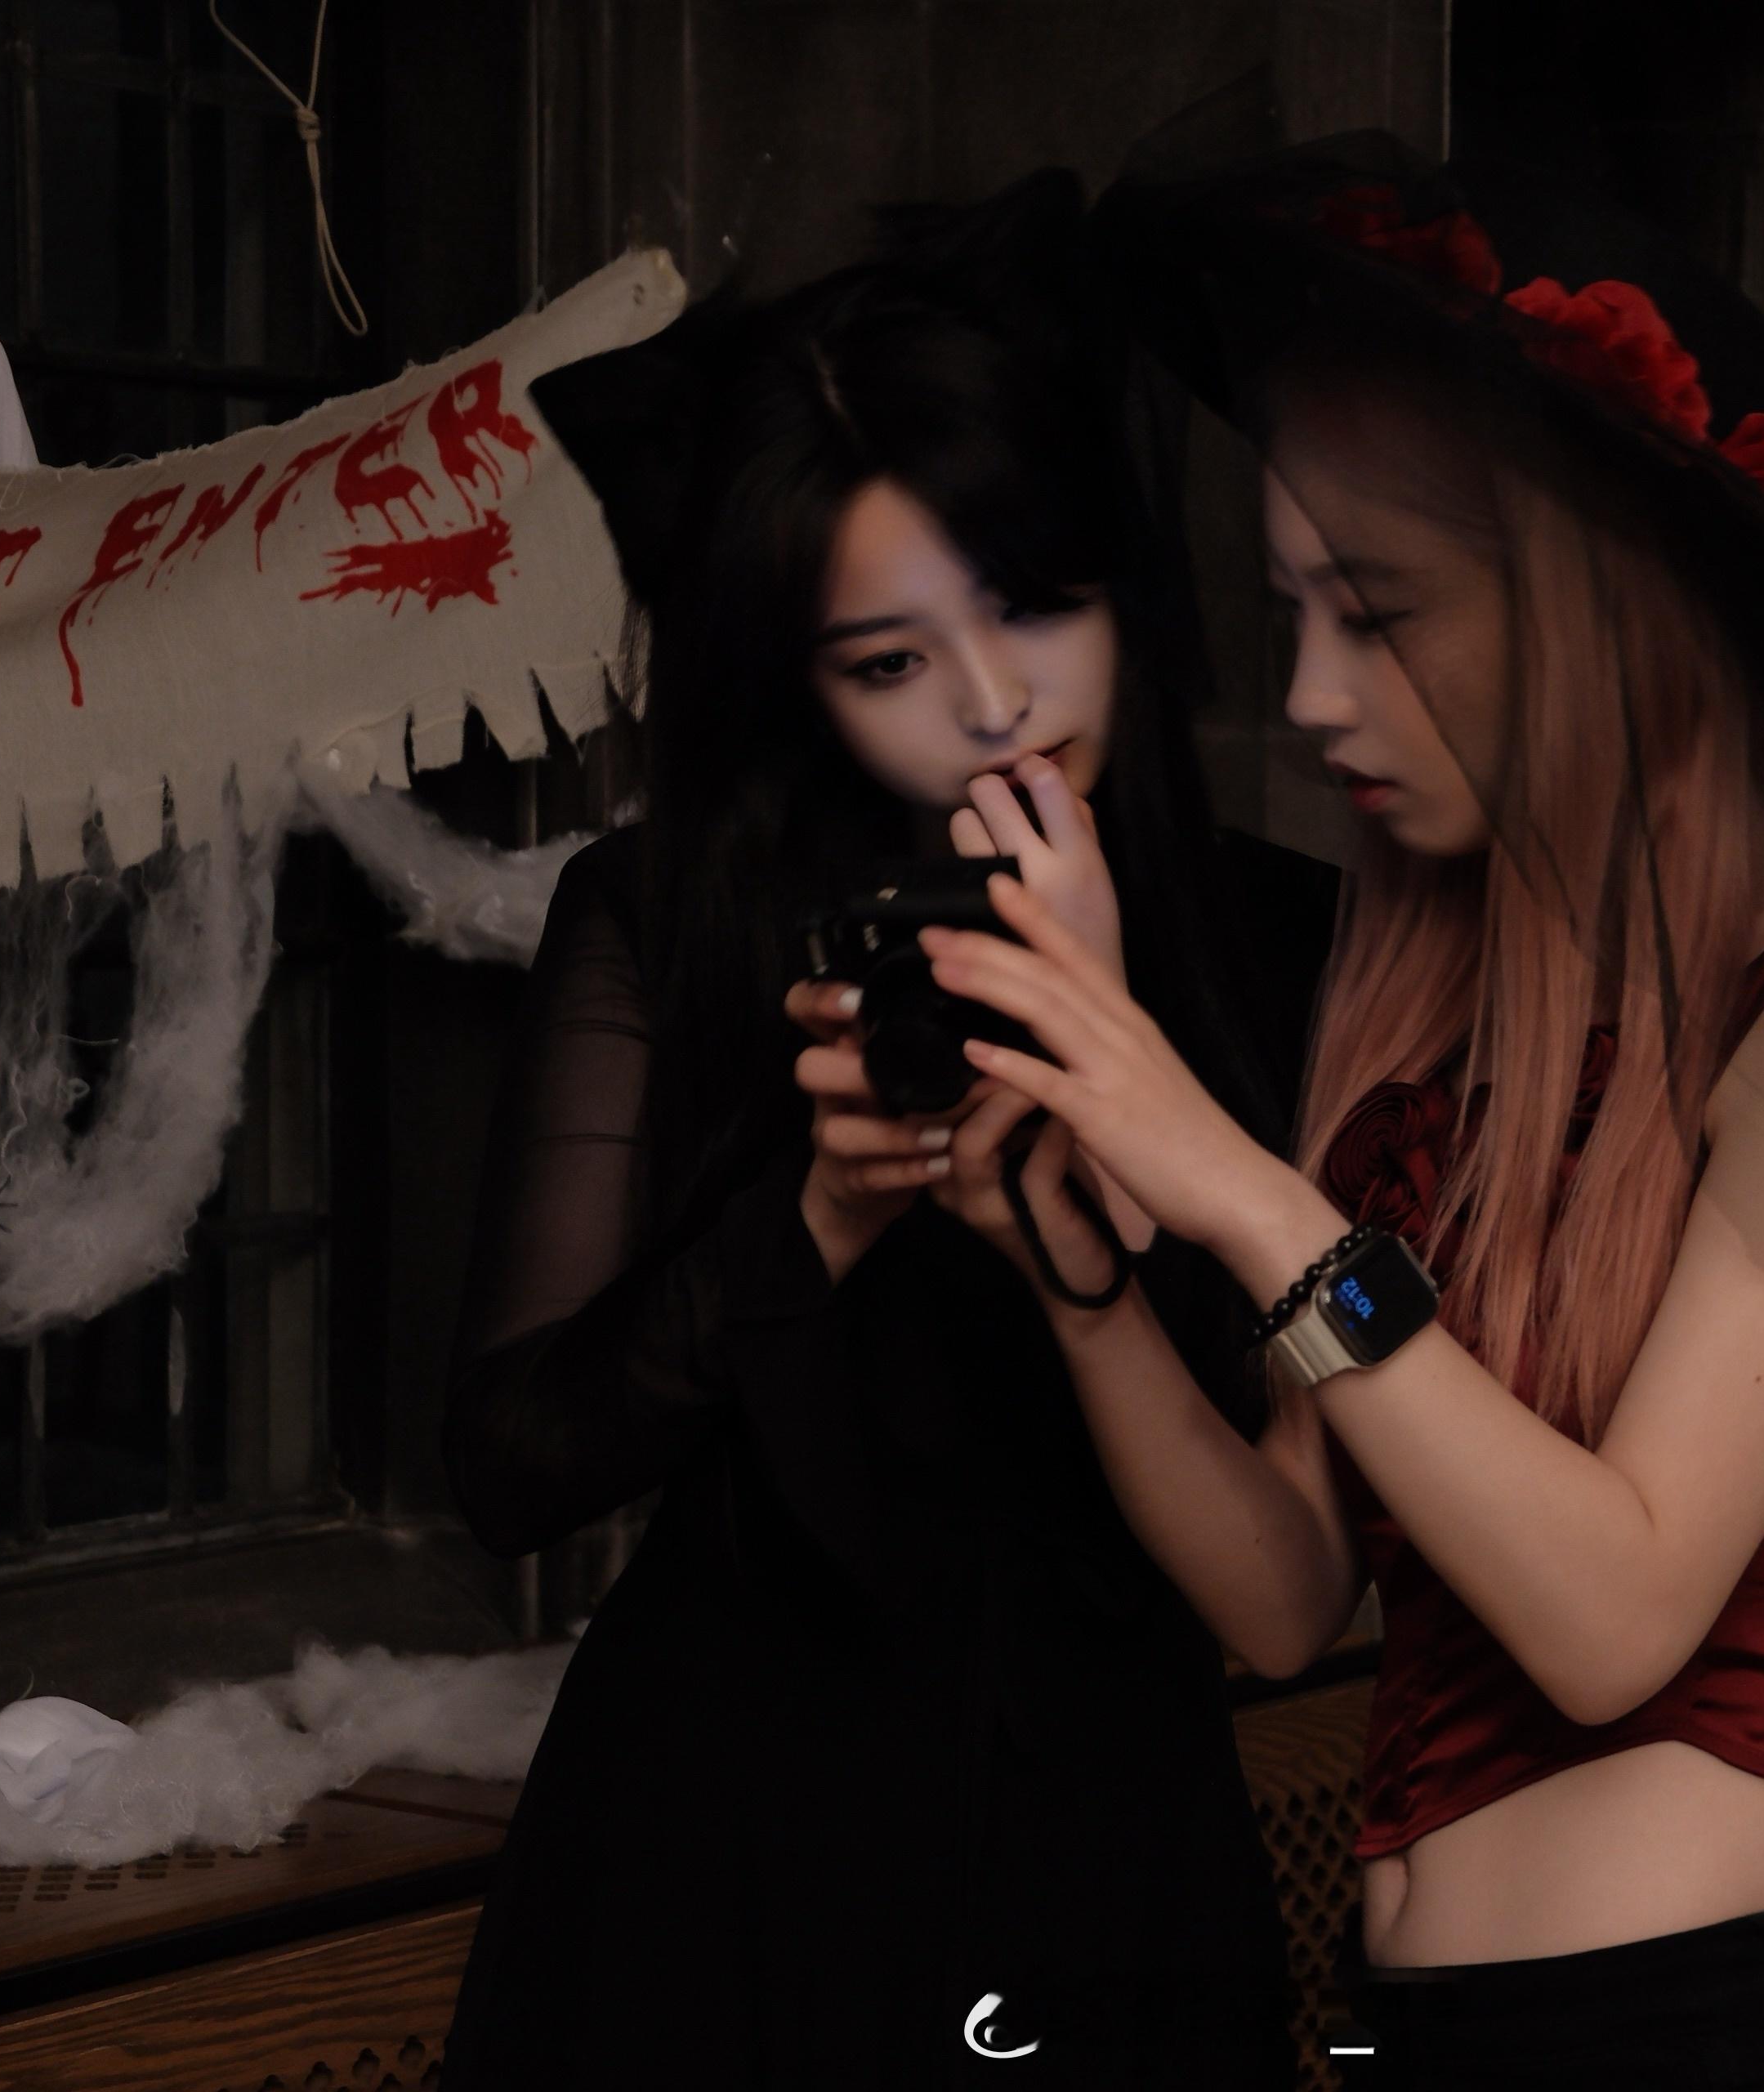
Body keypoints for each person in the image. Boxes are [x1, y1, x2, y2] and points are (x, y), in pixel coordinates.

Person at [908, 134, 1764, 2090]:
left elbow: (1615, 1612)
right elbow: (1287, 1589)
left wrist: (1238, 1190)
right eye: (1292, 612)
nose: (1313, 696)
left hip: (1683, 2040)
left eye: (1379, 614)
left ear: (1603, 605)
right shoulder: (1434, 1016)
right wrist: (1081, 1281)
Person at [432, 173, 1332, 2089]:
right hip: (726, 1850)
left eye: (1033, 601)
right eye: (891, 660)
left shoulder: (1280, 938)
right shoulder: (661, 916)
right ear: (803, 684)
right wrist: (825, 1208)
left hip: (1106, 1846)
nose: (997, 705)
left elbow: (1286, 1597)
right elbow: (510, 1462)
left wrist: (1101, 1105)